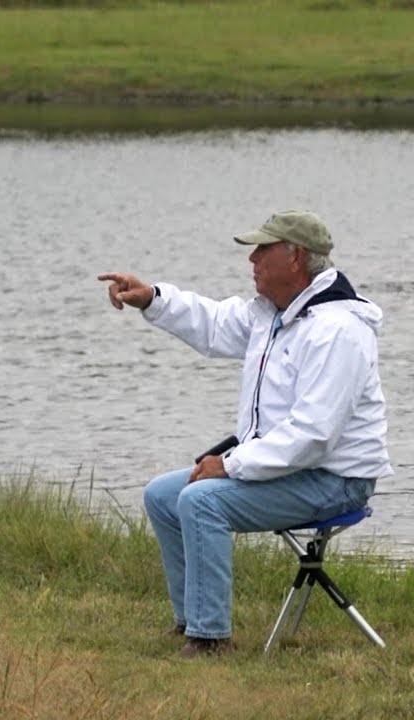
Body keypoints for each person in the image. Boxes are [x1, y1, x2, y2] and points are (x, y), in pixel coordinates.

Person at [98, 210, 391, 658]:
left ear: (295, 258)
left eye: (263, 249)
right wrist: (152, 299)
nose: (252, 258)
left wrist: (231, 465)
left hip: (335, 480)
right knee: (162, 495)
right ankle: (189, 621)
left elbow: (314, 435)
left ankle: (210, 639)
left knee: (201, 499)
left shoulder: (338, 331)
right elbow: (214, 324)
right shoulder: (274, 313)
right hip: (290, 469)